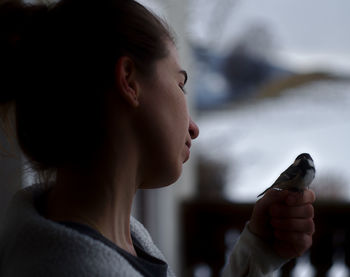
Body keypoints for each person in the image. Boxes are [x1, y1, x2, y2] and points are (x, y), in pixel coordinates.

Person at [0, 0, 315, 276]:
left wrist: (257, 253)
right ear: (129, 81)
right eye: (181, 85)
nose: (194, 128)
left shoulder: (123, 245)